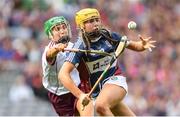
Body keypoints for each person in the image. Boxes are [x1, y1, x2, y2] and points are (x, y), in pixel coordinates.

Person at [59, 8, 156, 116]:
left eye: (97, 20)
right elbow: (63, 74)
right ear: (82, 26)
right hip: (98, 92)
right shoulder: (79, 46)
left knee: (101, 106)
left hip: (115, 80)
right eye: (91, 21)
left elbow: (132, 45)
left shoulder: (109, 36)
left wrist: (142, 46)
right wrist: (80, 95)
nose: (95, 23)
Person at [42, 16, 81, 116]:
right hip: (60, 94)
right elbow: (50, 55)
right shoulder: (49, 50)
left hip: (77, 87)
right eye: (57, 29)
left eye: (64, 27)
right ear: (50, 35)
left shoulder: (73, 46)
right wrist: (57, 49)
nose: (62, 31)